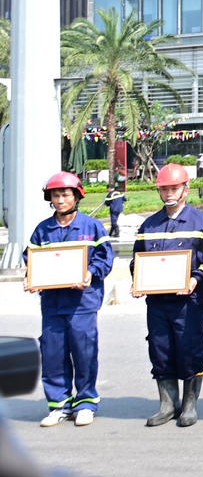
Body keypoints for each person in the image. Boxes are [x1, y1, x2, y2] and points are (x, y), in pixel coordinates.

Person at [25, 172, 115, 427]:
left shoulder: (92, 226)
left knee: (84, 352)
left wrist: (89, 272)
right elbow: (30, 258)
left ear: (76, 196)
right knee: (53, 353)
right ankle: (59, 405)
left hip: (82, 303)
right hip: (53, 304)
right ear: (50, 199)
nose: (61, 199)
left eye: (66, 194)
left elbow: (105, 257)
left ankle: (86, 403)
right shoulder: (43, 230)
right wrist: (29, 276)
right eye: (56, 195)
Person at [131, 162, 203, 428]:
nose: (169, 193)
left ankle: (189, 404)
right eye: (164, 188)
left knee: (189, 348)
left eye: (174, 188)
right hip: (157, 300)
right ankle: (168, 404)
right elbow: (137, 258)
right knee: (160, 349)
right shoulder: (149, 224)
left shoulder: (202, 222)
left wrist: (195, 278)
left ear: (185, 189)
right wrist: (138, 280)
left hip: (188, 300)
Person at [105, 173, 127, 238]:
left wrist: (107, 203)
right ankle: (110, 233)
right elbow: (125, 199)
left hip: (114, 209)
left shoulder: (110, 194)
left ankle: (117, 233)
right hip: (120, 209)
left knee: (114, 222)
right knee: (114, 221)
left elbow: (107, 203)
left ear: (109, 188)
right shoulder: (119, 192)